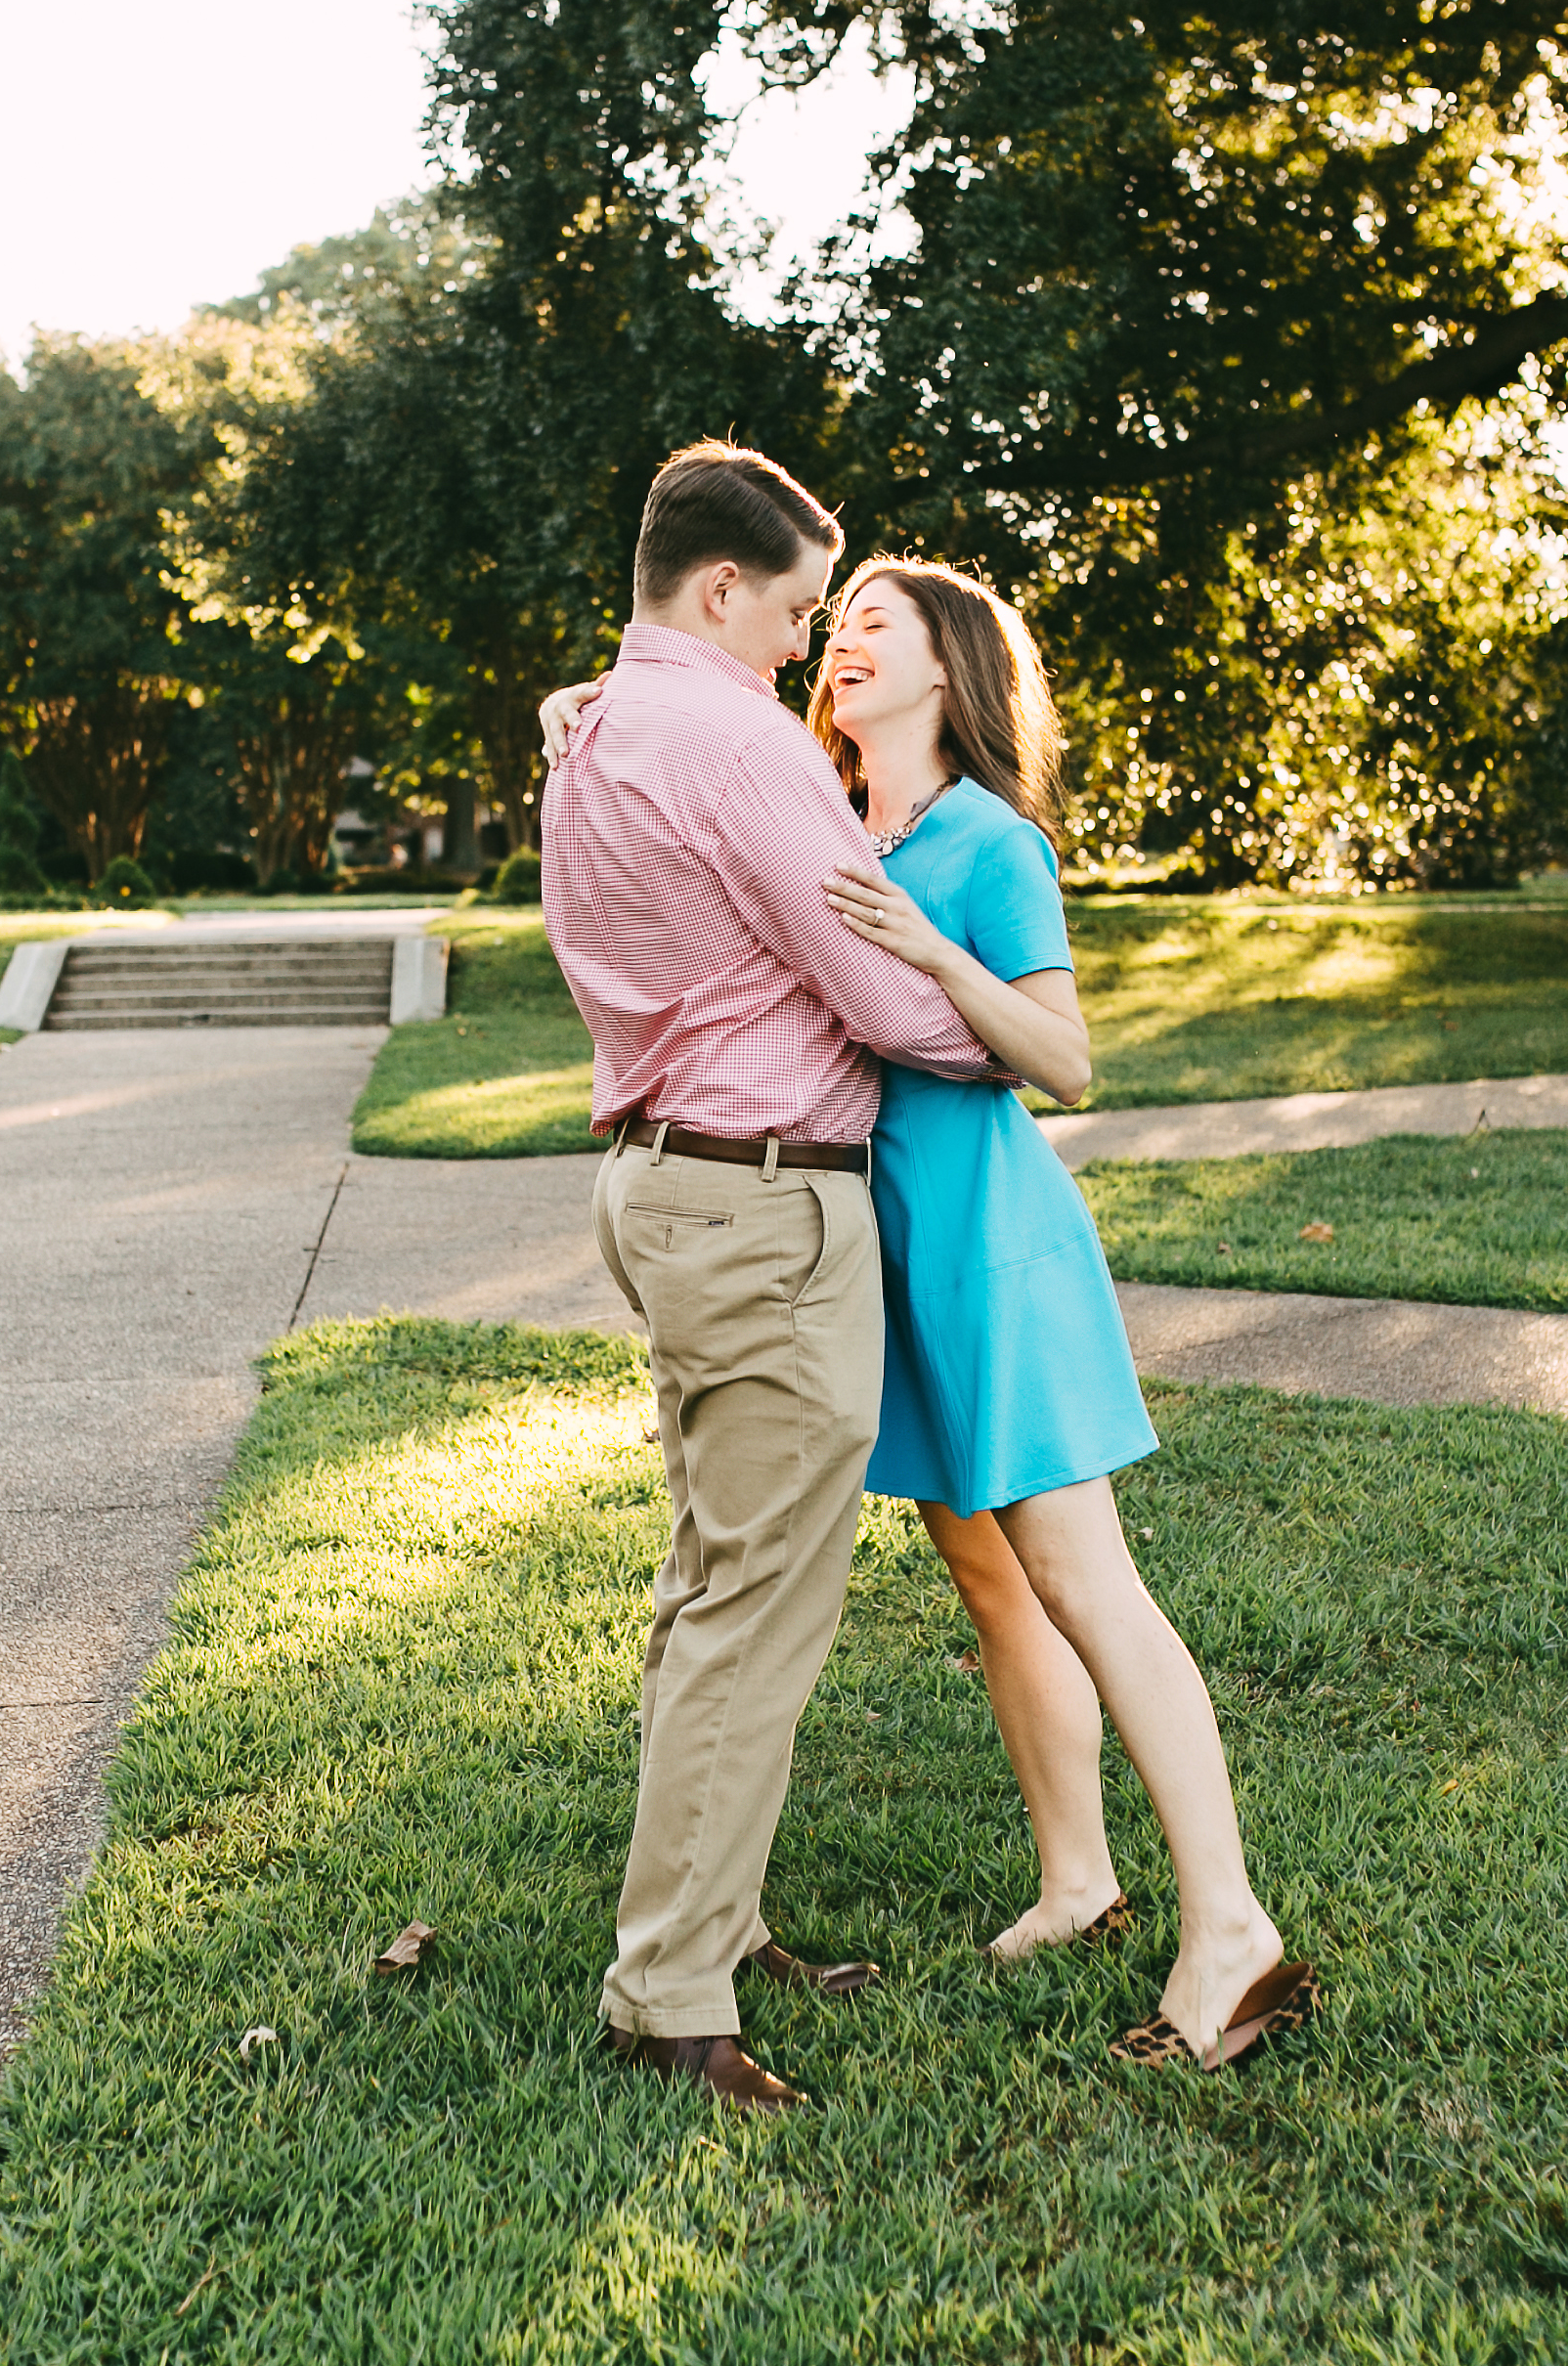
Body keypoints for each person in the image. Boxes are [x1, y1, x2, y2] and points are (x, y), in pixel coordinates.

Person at [545, 557, 1307, 2072]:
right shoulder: (833, 820)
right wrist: (585, 710)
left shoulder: (989, 842)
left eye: (876, 626)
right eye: (834, 628)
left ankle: (1233, 1936)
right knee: (987, 1578)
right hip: (866, 1248)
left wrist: (927, 948)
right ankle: (1079, 1879)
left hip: (987, 1248)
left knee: (1089, 1585)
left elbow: (1066, 1061)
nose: (839, 647)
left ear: (951, 670)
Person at [541, 442, 1004, 2110]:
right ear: (722, 588)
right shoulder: (740, 743)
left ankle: (713, 1926)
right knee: (755, 1609)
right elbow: (884, 996)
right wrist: (1028, 1034)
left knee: (708, 1579)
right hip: (763, 1214)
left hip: (662, 1189)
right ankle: (670, 1993)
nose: (813, 645)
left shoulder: (595, 729)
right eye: (803, 609)